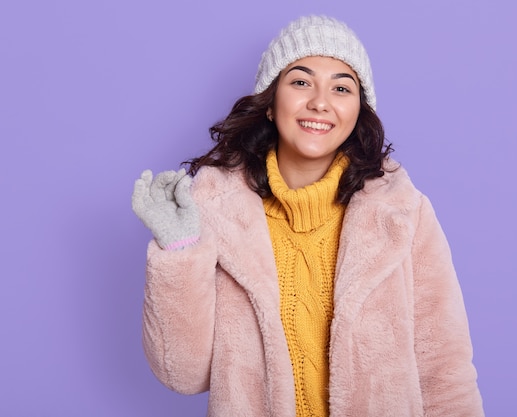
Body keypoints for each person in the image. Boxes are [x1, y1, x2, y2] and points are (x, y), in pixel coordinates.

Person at [132, 15, 484, 417]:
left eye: (341, 88)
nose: (320, 101)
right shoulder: (217, 213)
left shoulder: (403, 213)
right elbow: (183, 374)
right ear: (270, 103)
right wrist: (179, 253)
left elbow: (445, 372)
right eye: (301, 82)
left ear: (357, 113)